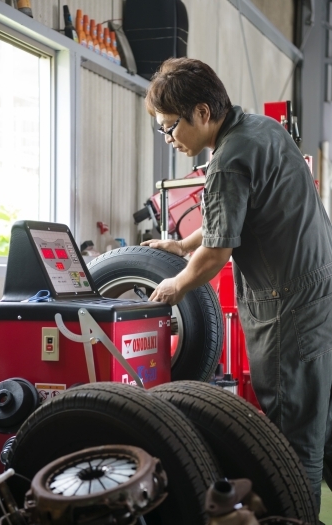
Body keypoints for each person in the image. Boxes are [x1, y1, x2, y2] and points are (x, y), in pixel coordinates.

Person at [141, 57, 332, 517]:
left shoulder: (228, 159)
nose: (169, 138)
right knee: (322, 427)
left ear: (202, 113)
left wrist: (176, 286)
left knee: (293, 443)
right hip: (319, 293)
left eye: (170, 128)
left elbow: (217, 253)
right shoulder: (263, 130)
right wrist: (181, 243)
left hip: (287, 309)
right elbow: (230, 220)